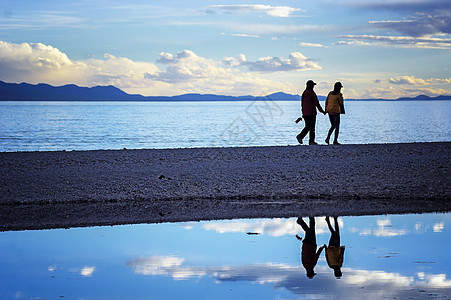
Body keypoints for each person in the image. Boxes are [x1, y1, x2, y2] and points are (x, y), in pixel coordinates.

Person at [296, 80, 326, 145]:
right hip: (311, 113)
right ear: (311, 86)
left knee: (308, 126)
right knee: (311, 127)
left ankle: (308, 139)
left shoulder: (304, 93)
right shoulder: (312, 93)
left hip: (305, 113)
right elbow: (317, 103)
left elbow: (302, 103)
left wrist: (303, 112)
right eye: (313, 85)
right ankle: (304, 138)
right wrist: (322, 111)